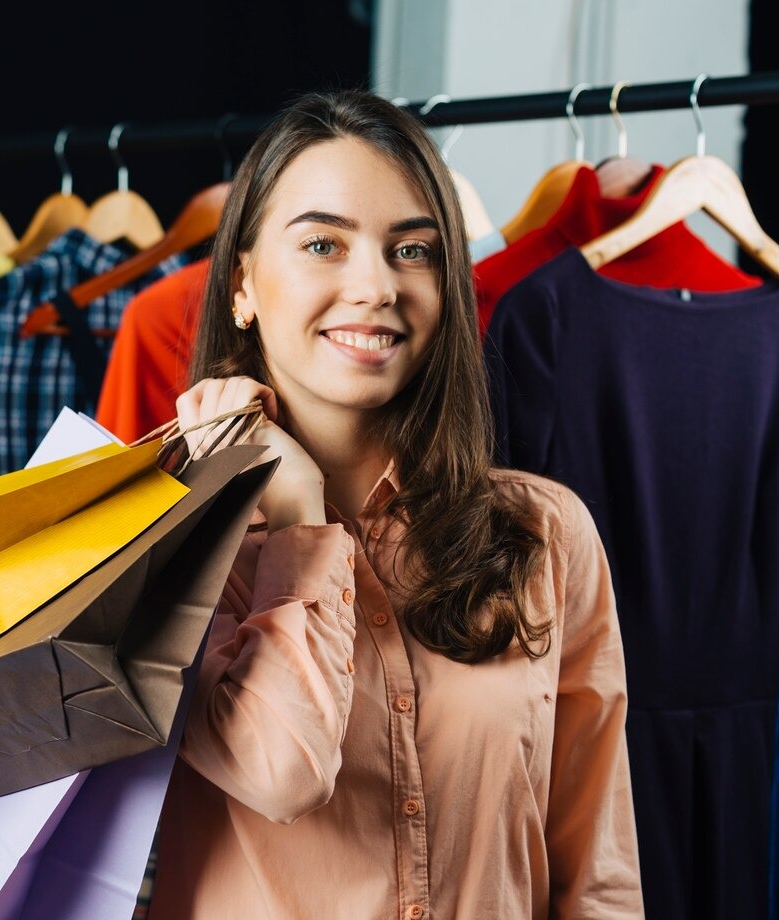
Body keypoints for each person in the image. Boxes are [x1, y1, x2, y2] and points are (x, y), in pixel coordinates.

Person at [146, 89, 643, 919]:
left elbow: (594, 871)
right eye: (322, 244)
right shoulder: (169, 542)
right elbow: (283, 771)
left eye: (412, 250)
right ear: (242, 285)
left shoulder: (543, 533)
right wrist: (300, 522)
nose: (375, 286)